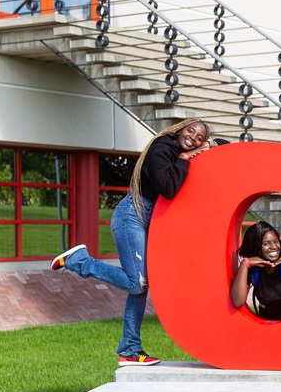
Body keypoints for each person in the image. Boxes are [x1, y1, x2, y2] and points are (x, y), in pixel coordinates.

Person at [50, 118, 213, 366]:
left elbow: (222, 146)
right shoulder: (163, 148)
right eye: (191, 131)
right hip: (133, 216)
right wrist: (185, 158)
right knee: (136, 283)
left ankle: (129, 349)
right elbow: (168, 188)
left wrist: (209, 145)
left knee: (141, 286)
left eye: (200, 138)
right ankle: (80, 260)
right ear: (180, 129)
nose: (194, 138)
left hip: (150, 221)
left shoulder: (182, 150)